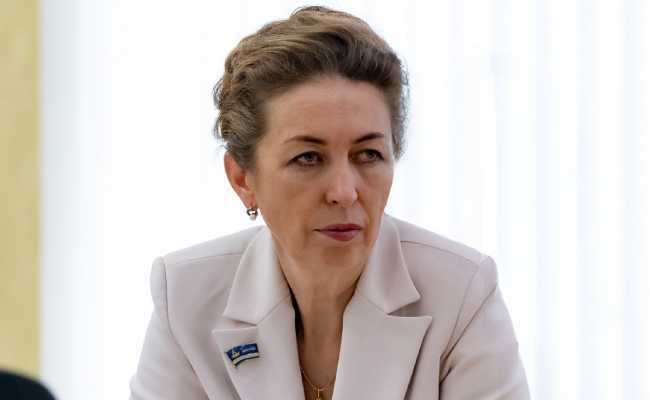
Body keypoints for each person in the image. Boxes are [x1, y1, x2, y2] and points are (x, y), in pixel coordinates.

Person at [130, 6, 529, 400]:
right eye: (308, 157)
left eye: (368, 154)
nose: (344, 191)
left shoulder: (460, 293)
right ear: (242, 178)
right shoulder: (185, 297)